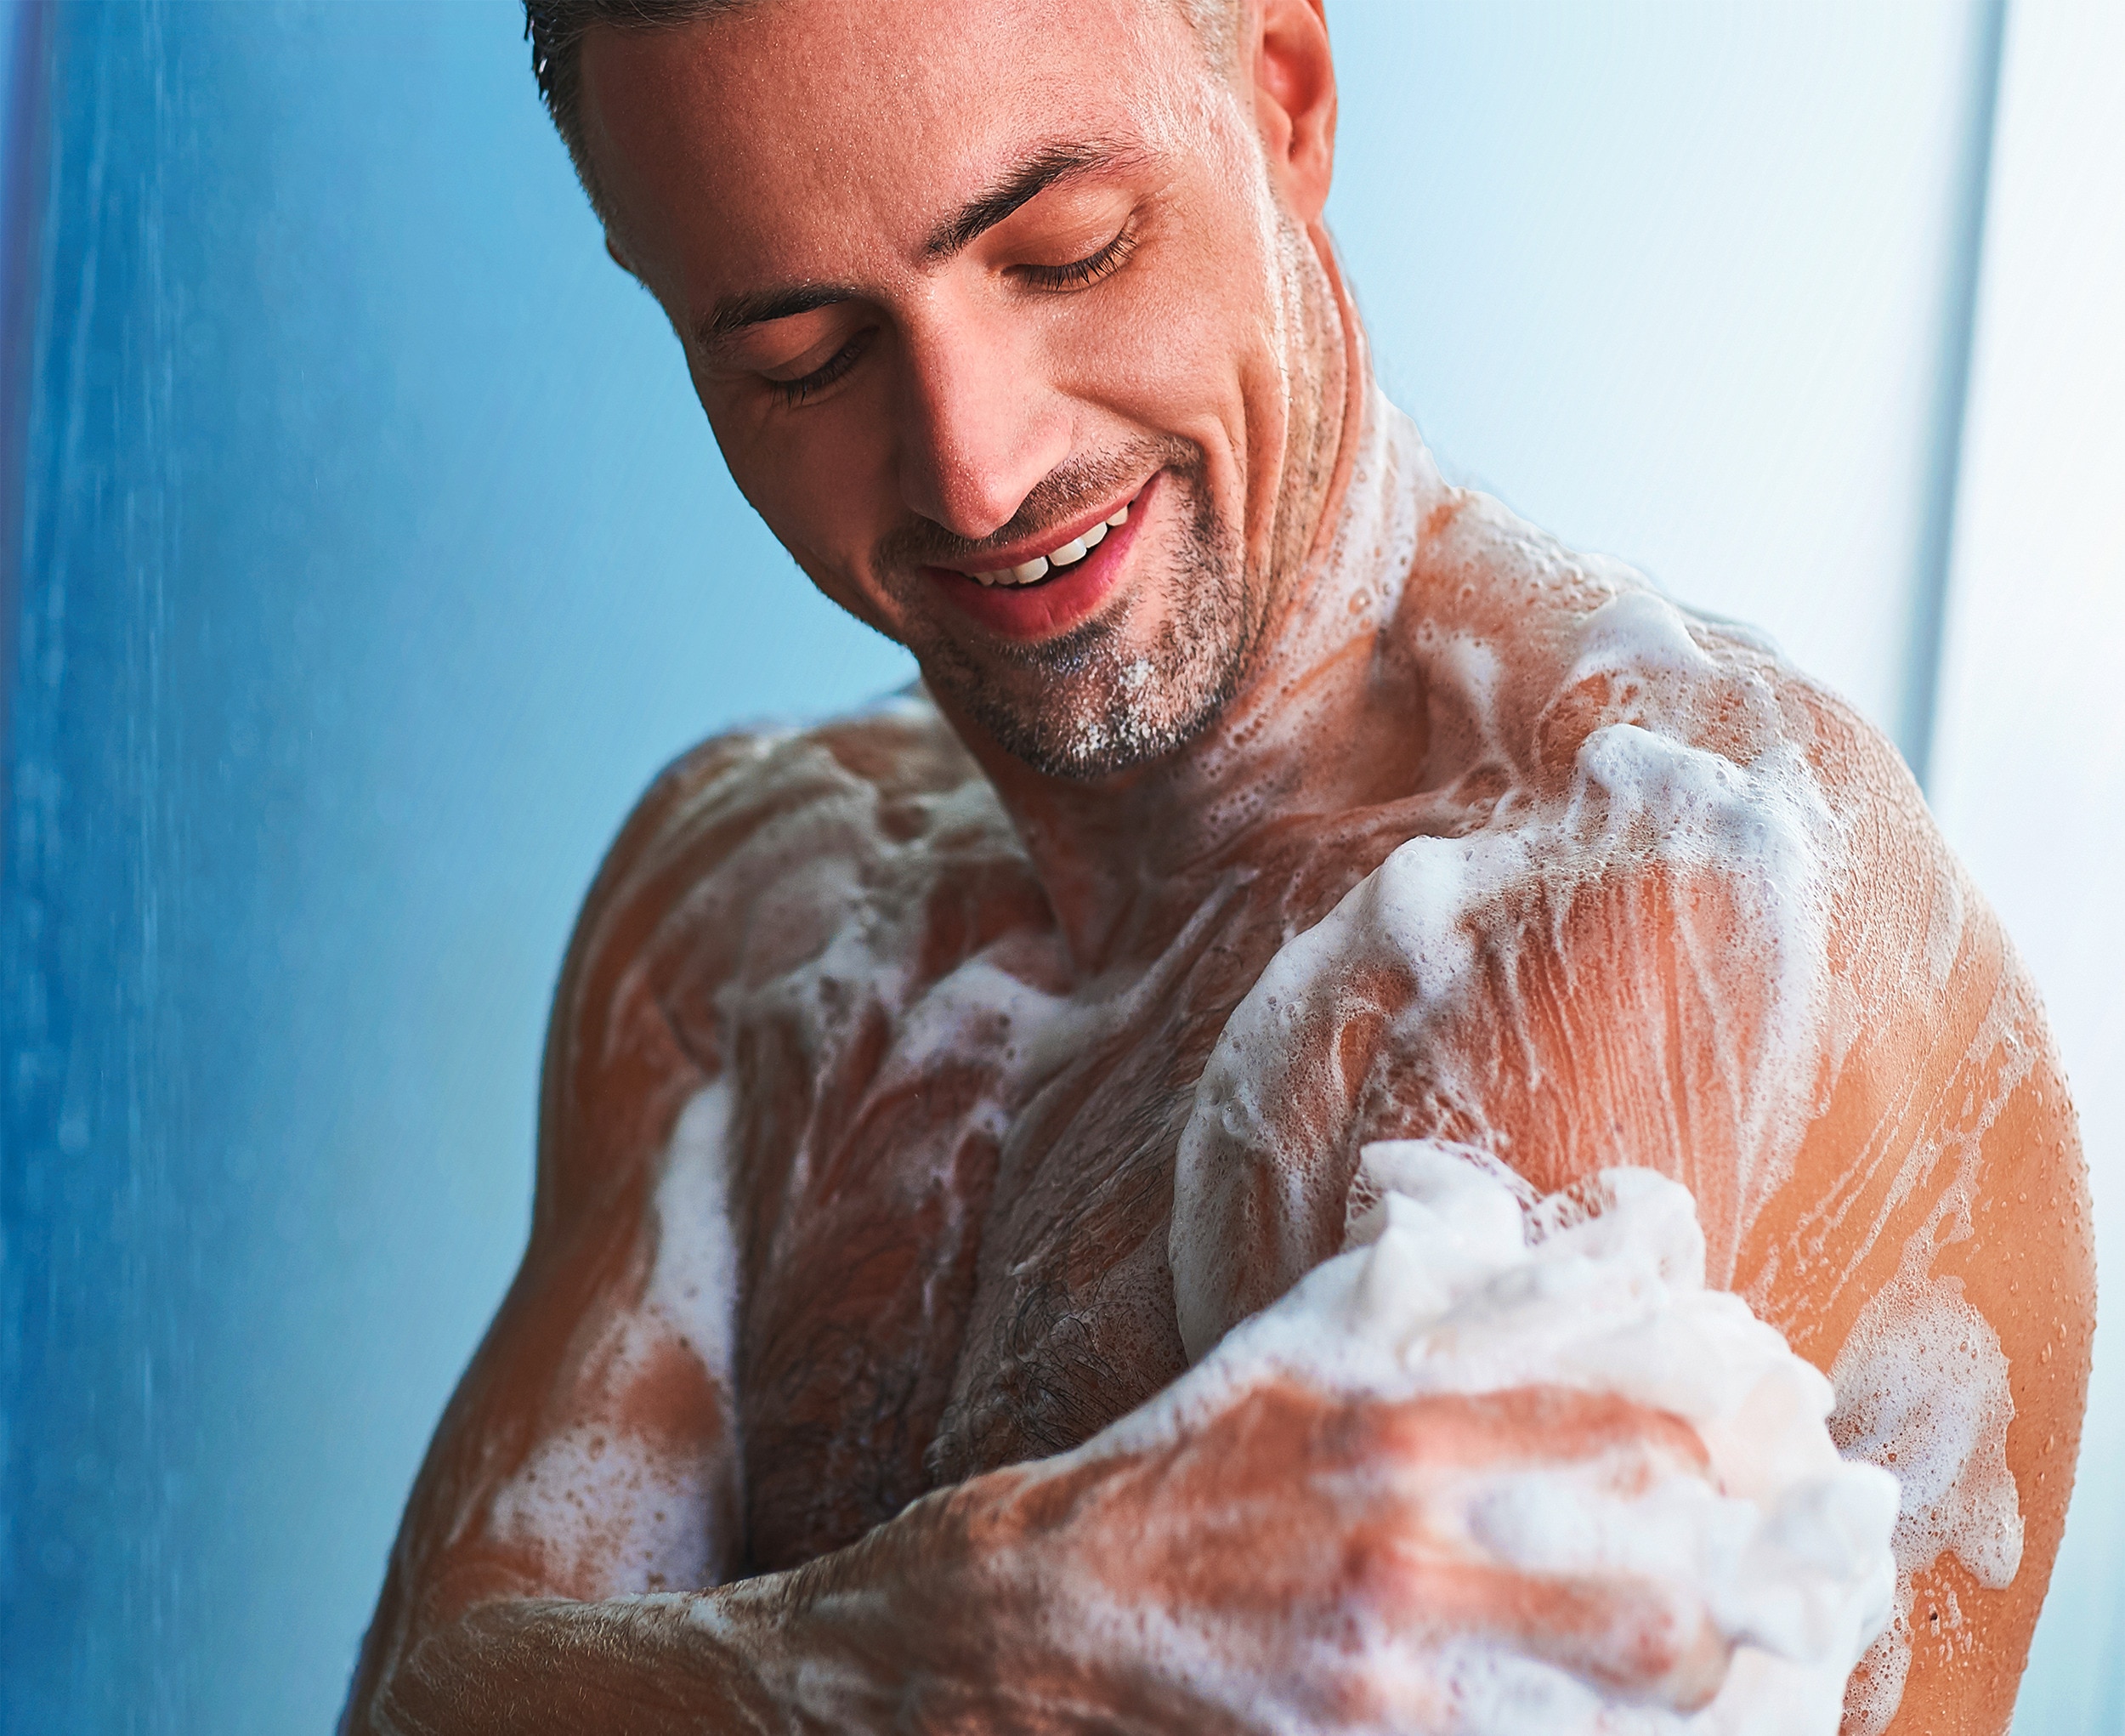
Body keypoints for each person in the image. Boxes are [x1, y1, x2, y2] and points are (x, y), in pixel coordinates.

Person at [340, 2, 2093, 1730]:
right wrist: (939, 1648)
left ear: (1283, 90)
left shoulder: (1627, 904)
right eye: (805, 356)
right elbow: (425, 1700)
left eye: (1062, 251)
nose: (976, 467)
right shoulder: (748, 905)